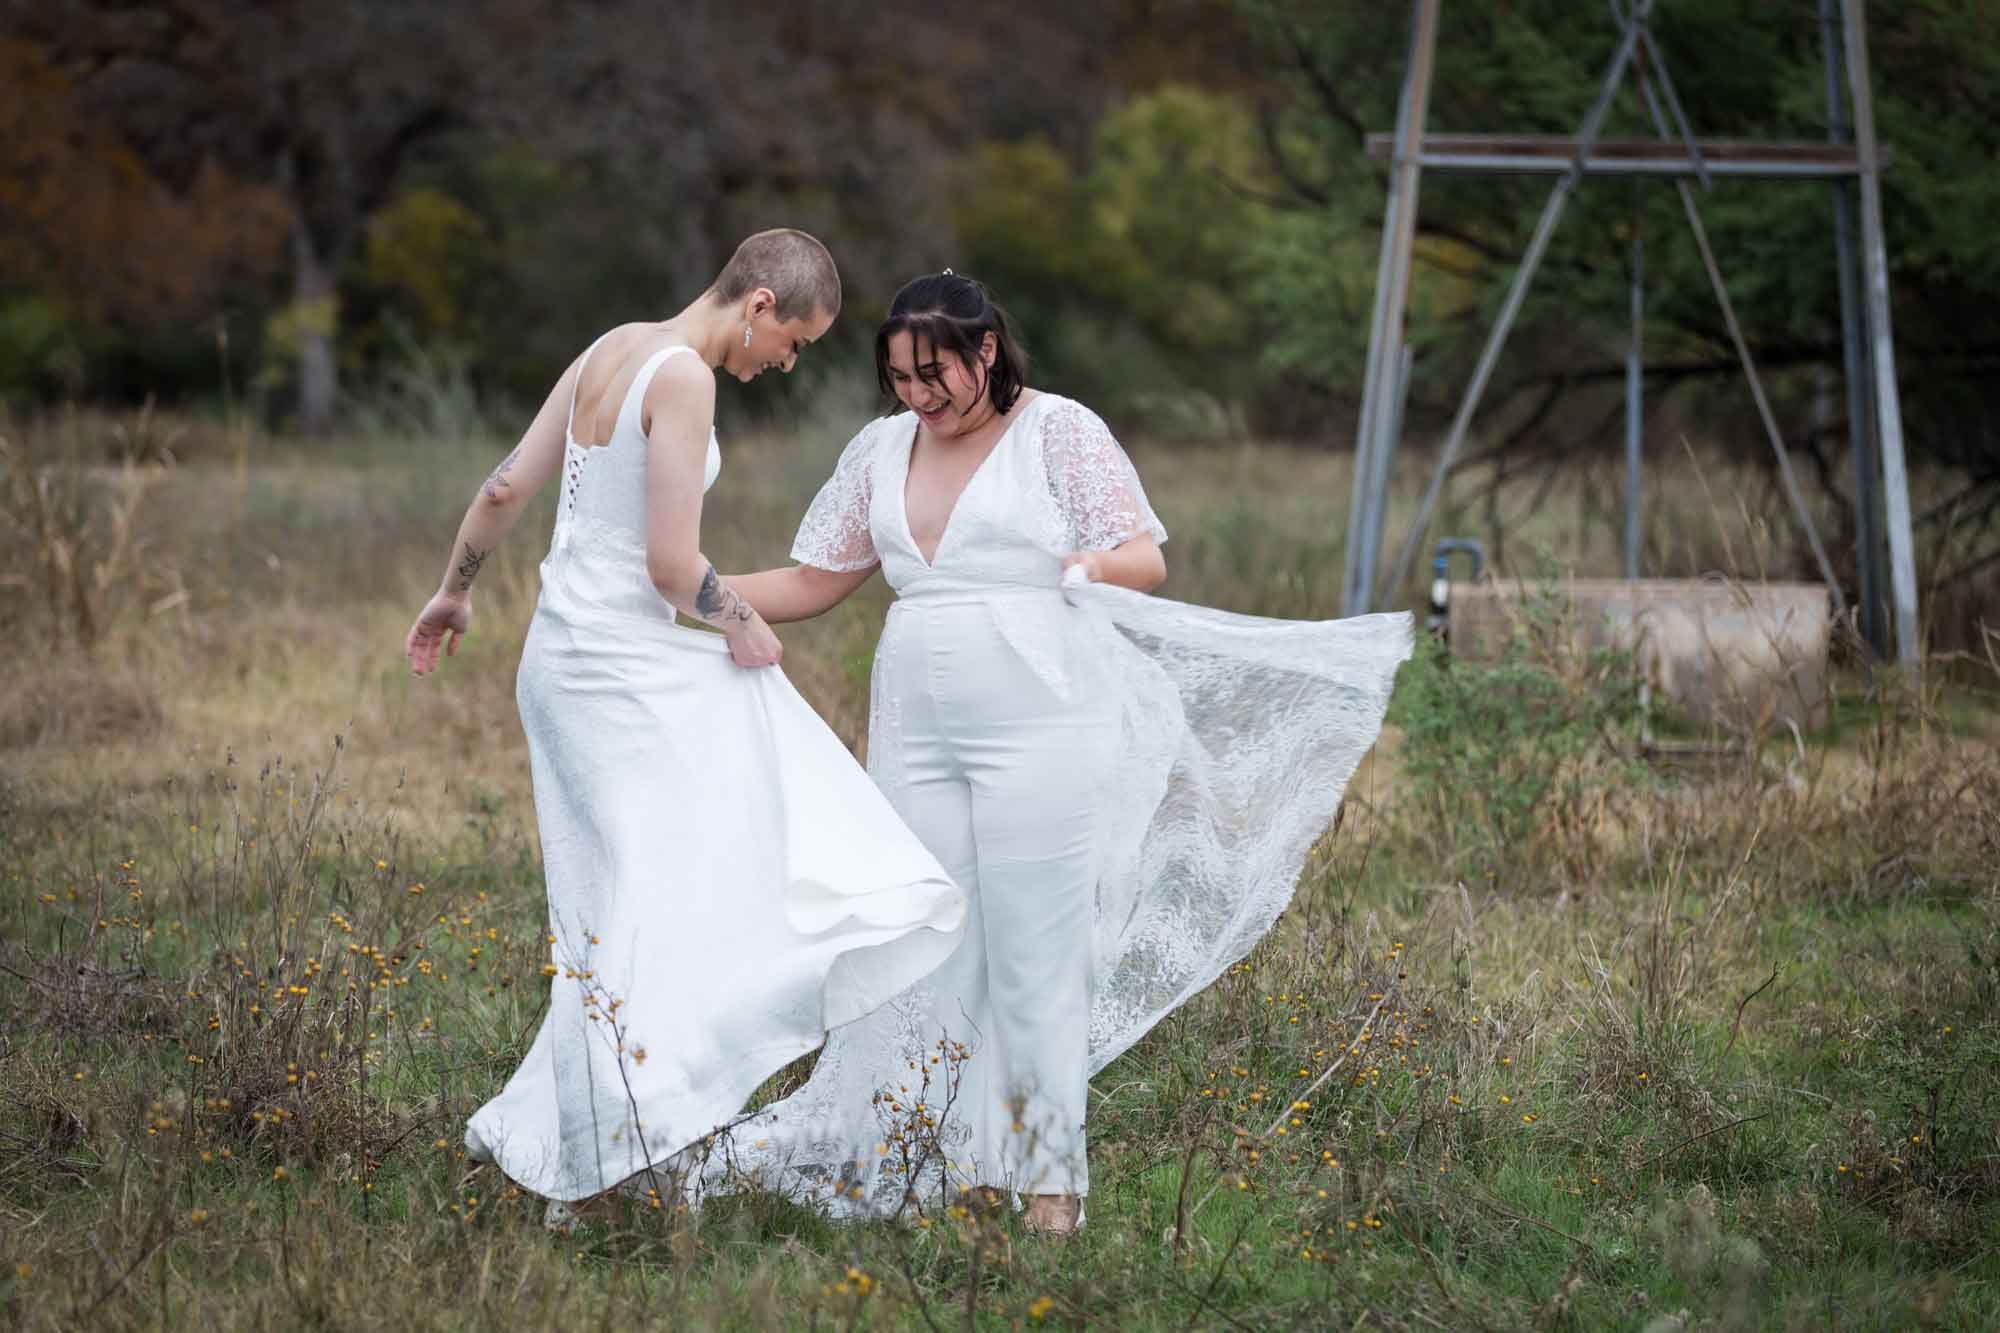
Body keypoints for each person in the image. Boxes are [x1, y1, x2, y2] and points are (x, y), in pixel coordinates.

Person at [717, 272, 1414, 1234]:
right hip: (915, 722)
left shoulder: (1060, 431)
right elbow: (812, 578)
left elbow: (1141, 552)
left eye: (936, 373)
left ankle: (1050, 1183)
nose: (918, 395)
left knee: (1036, 950)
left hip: (1040, 715)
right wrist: (687, 584)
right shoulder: (880, 449)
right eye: (900, 377)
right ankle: (943, 1158)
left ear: (986, 351)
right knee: (921, 940)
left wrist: (1081, 568)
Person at [401, 231, 967, 1222]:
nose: (785, 364)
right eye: (792, 342)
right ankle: (621, 1144)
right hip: (622, 671)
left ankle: (616, 1142)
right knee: (691, 868)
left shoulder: (607, 348)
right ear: (756, 305)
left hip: (560, 661)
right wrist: (744, 623)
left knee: (623, 901)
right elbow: (672, 567)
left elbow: (502, 486)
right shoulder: (684, 379)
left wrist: (454, 593)